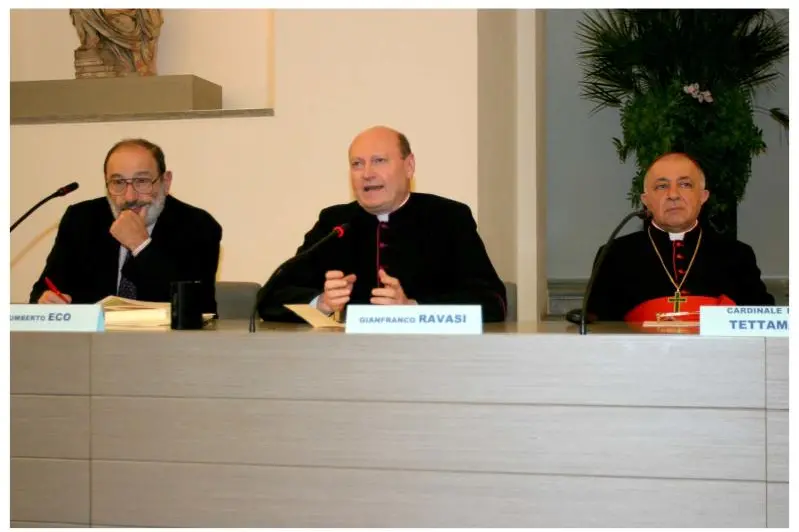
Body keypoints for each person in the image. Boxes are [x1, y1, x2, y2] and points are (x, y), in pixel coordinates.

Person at [256, 125, 508, 323]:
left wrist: (412, 309)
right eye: (357, 164)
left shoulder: (449, 218)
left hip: (429, 361)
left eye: (379, 161)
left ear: (409, 166)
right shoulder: (335, 222)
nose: (367, 173)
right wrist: (320, 303)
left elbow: (492, 301)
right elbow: (271, 298)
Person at [29, 138, 222, 314]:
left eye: (142, 181)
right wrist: (45, 300)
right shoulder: (81, 220)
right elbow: (44, 287)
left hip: (166, 348)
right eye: (118, 182)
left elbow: (196, 307)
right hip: (93, 346)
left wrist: (141, 246)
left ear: (165, 182)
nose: (130, 197)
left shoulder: (198, 226)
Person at [585, 152, 774, 323]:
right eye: (661, 186)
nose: (673, 195)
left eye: (685, 184)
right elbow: (596, 325)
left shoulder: (737, 255)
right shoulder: (615, 254)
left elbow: (763, 321)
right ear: (646, 201)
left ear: (703, 196)